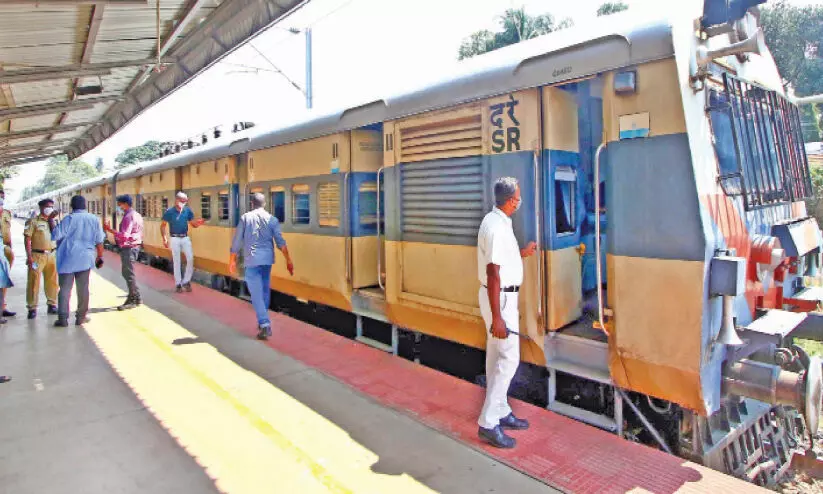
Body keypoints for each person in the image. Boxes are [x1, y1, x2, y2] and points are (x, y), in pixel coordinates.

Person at [476, 177, 536, 449]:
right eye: (518, 197)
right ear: (511, 200)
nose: (519, 201)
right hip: (500, 299)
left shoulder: (496, 221)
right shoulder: (497, 228)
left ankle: (500, 410)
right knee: (510, 357)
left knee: (495, 356)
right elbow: (493, 272)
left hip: (498, 297)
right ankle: (489, 422)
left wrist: (521, 254)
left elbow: (500, 261)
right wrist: (498, 317)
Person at [229, 192, 294, 340]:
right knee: (264, 290)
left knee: (256, 294)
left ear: (252, 204)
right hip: (267, 260)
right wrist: (288, 260)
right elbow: (280, 243)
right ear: (264, 204)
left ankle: (264, 324)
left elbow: (237, 241)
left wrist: (232, 260)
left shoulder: (245, 218)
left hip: (252, 260)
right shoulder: (272, 220)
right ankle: (262, 321)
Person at [51, 195, 105, 327]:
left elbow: (55, 235)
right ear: (85, 205)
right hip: (85, 259)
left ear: (71, 206)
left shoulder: (68, 219)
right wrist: (100, 256)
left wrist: (51, 221)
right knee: (83, 289)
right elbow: (99, 240)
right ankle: (81, 317)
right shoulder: (93, 219)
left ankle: (63, 319)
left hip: (67, 258)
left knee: (65, 289)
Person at [104, 194, 144, 310]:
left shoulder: (128, 217)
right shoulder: (137, 215)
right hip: (135, 246)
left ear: (125, 204)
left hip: (129, 248)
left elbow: (124, 236)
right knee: (129, 273)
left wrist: (110, 230)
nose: (118, 206)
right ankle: (137, 297)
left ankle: (132, 299)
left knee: (128, 273)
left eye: (120, 204)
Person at [161, 191, 205, 293]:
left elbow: (192, 224)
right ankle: (178, 284)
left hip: (185, 237)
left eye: (185, 201)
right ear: (176, 200)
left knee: (190, 258)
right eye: (182, 201)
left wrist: (198, 224)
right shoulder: (170, 212)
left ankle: (186, 281)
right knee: (177, 261)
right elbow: (163, 225)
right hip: (175, 238)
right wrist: (164, 238)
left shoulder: (187, 211)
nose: (183, 203)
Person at [24, 198, 59, 319]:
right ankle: (32, 307)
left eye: (52, 206)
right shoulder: (32, 222)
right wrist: (29, 256)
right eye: (48, 206)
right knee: (34, 282)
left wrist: (52, 221)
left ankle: (52, 304)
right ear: (41, 208)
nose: (50, 208)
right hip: (37, 255)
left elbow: (57, 235)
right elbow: (27, 239)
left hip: (52, 254)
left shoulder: (53, 221)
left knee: (52, 281)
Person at [0, 191, 15, 317]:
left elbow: (8, 231)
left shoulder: (6, 213)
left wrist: (10, 247)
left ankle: (2, 307)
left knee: (3, 279)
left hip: (5, 249)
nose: (1, 199)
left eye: (2, 198)